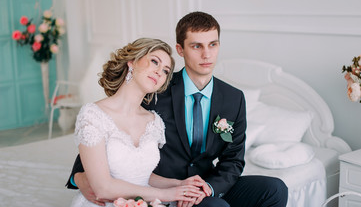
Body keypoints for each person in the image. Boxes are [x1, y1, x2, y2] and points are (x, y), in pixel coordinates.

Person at [67, 12, 288, 207]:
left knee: (275, 188)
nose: (206, 55)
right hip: (165, 188)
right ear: (180, 49)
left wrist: (207, 188)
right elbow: (107, 129)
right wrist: (79, 176)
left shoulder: (234, 98)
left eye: (213, 44)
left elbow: (233, 160)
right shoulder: (155, 89)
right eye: (196, 46)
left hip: (202, 183)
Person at [68, 38, 208, 207]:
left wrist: (179, 184)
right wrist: (167, 194)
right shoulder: (93, 114)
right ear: (132, 62)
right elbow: (102, 188)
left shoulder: (154, 121)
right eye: (154, 62)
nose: (159, 72)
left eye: (165, 71)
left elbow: (141, 175)